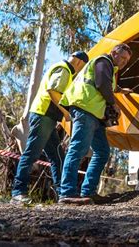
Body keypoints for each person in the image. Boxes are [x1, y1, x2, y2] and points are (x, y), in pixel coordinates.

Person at [58, 43, 132, 205]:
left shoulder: (109, 69)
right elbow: (101, 83)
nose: (125, 62)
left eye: (127, 60)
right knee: (78, 149)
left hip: (95, 114)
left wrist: (119, 89)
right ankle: (67, 192)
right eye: (123, 57)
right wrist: (113, 103)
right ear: (114, 53)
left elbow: (106, 82)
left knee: (102, 151)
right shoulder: (103, 61)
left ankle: (88, 191)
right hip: (85, 109)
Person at [11, 51, 89, 204]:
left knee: (58, 156)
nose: (82, 70)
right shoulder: (64, 69)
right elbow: (53, 91)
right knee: (32, 153)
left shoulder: (62, 68)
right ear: (80, 62)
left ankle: (63, 194)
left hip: (48, 118)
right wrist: (66, 113)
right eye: (84, 67)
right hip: (43, 115)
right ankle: (18, 193)